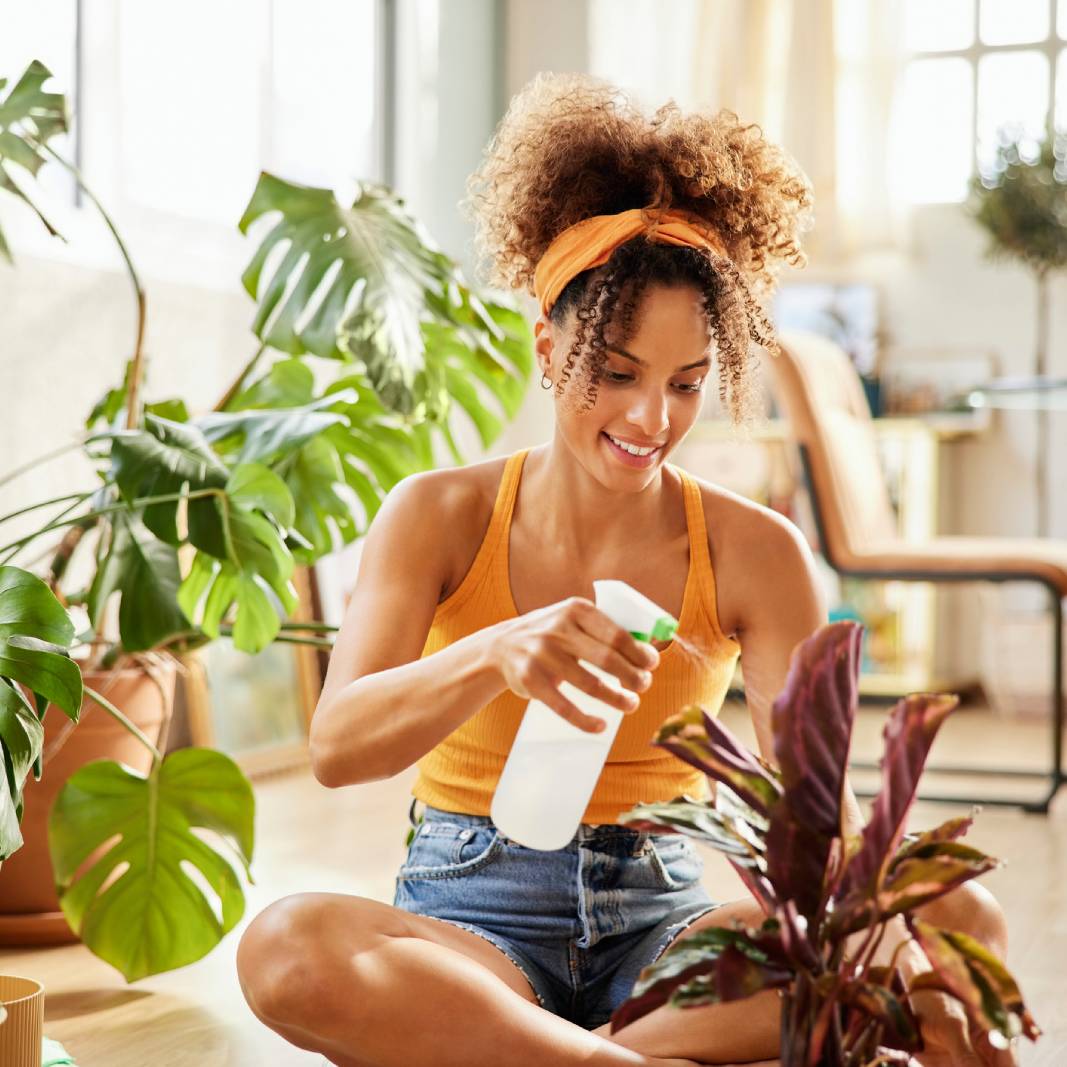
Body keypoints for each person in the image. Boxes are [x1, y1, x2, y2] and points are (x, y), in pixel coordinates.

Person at [236, 74, 1011, 1067]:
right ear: (546, 346)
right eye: (615, 373)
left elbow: (808, 817)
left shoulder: (754, 551)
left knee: (956, 919)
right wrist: (499, 652)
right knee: (285, 947)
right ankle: (614, 1055)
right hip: (471, 923)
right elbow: (339, 746)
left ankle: (556, 1052)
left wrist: (902, 920)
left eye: (686, 383)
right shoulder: (438, 514)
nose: (651, 418)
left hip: (664, 929)